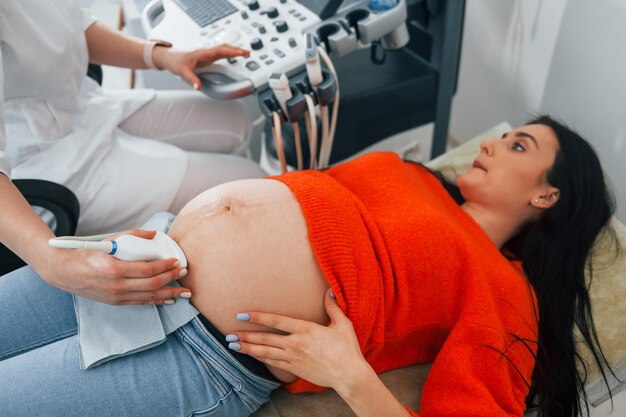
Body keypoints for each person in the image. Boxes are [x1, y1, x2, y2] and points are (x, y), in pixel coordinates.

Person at [0, 116, 616, 417]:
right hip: (140, 258)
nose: (489, 143)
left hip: (208, 353)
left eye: (518, 146)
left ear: (547, 195)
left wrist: (351, 375)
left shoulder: (509, 296)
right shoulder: (412, 176)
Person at [0, 1, 267, 305]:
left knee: (235, 120)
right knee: (250, 180)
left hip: (85, 107)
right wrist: (55, 264)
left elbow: (71, 27)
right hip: (51, 159)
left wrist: (160, 55)